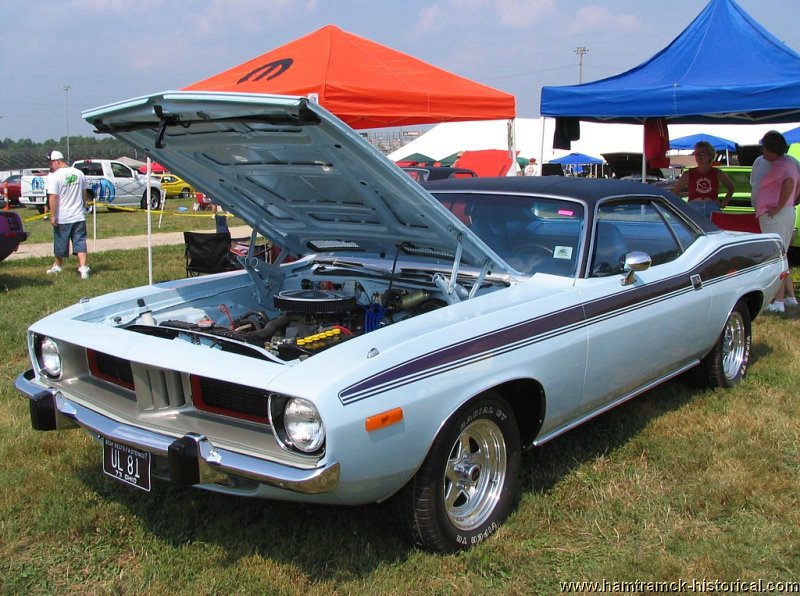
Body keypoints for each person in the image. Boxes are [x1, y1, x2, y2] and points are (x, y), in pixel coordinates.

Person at [754, 131, 800, 313]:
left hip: (776, 215)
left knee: (777, 256)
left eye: (763, 148)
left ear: (771, 149)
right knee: (782, 255)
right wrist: (792, 200)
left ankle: (778, 302)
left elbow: (789, 183)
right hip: (783, 212)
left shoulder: (781, 165)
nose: (762, 152)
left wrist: (779, 206)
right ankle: (790, 298)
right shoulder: (789, 162)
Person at [45, 150, 91, 278]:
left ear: (58, 161)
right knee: (80, 242)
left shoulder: (56, 176)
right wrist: (82, 206)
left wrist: (53, 215)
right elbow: (84, 193)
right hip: (78, 216)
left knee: (60, 242)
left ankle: (58, 266)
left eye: (51, 163)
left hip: (63, 217)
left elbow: (53, 197)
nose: (50, 166)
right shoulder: (79, 173)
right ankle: (83, 268)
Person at [671, 140, 734, 219]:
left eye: (702, 153)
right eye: (696, 154)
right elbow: (674, 193)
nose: (698, 157)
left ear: (710, 155)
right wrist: (686, 204)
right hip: (693, 207)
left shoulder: (717, 173)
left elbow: (731, 188)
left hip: (712, 207)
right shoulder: (688, 173)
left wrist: (723, 204)